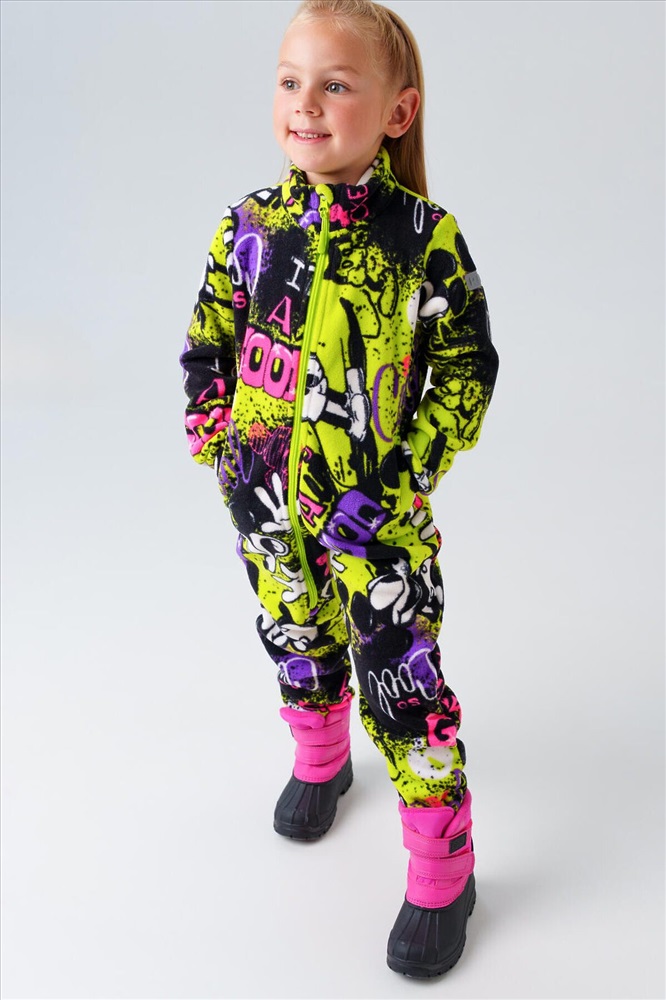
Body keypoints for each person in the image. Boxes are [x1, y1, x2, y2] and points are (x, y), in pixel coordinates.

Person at [180, 0, 498, 979]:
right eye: (290, 81)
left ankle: (443, 865)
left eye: (334, 84)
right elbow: (209, 342)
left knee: (404, 682)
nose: (305, 103)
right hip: (267, 506)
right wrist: (220, 442)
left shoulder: (422, 236)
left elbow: (466, 366)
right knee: (293, 633)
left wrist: (406, 476)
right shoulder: (248, 225)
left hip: (377, 524)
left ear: (397, 112)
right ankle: (320, 757)